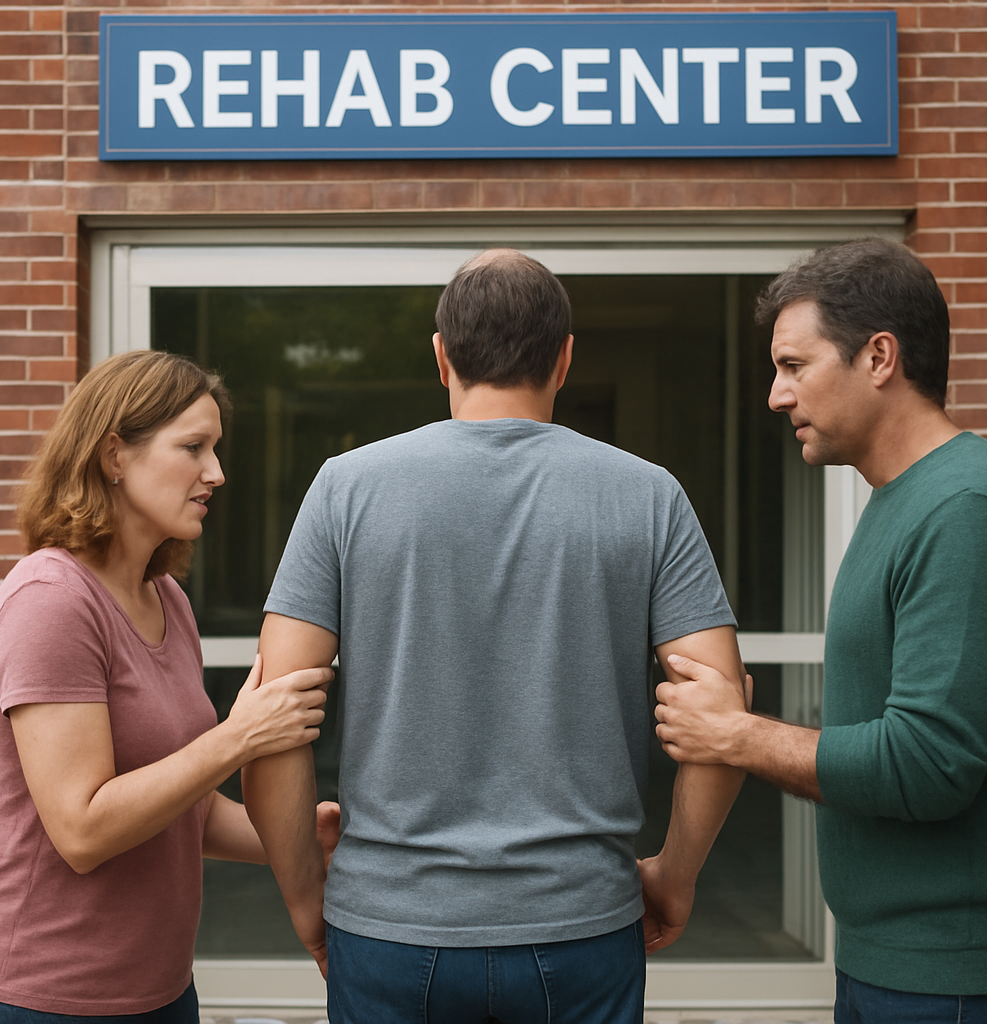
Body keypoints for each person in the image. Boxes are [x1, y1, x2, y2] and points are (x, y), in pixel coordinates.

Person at [242, 249, 748, 1023]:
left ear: (441, 355)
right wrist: (673, 877)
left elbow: (271, 722)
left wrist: (307, 896)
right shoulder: (650, 496)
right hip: (582, 926)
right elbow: (721, 718)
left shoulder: (345, 488)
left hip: (387, 928)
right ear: (565, 359)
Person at [653, 238, 987, 1022]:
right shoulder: (902, 502)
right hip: (894, 968)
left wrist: (734, 735)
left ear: (879, 356)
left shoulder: (965, 510)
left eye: (794, 365)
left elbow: (929, 763)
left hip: (949, 980)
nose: (777, 395)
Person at [0, 350, 334, 1024]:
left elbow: (183, 813)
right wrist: (239, 736)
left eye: (216, 449)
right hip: (48, 997)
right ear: (115, 455)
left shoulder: (165, 598)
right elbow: (82, 829)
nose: (216, 473)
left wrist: (294, 838)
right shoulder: (51, 601)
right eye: (193, 447)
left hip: (160, 991)